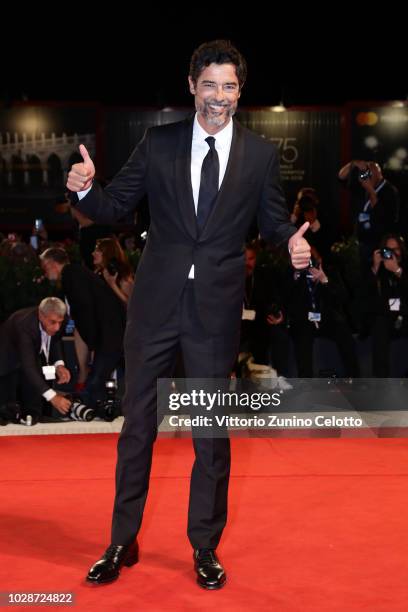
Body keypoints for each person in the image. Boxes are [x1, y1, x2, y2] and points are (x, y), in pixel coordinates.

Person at [67, 39, 311, 589]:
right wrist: (84, 191)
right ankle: (121, 542)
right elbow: (114, 205)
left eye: (229, 86)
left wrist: (292, 247)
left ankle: (204, 546)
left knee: (209, 435)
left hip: (214, 313)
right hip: (154, 307)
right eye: (210, 84)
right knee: (137, 430)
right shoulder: (159, 144)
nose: (219, 96)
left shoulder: (259, 154)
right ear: (192, 86)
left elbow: (274, 223)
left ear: (239, 92)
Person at [0, 297, 72, 424]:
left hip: (30, 354)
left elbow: (54, 339)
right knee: (6, 411)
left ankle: (33, 417)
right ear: (41, 315)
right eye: (53, 322)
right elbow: (28, 367)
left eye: (60, 322)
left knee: (33, 405)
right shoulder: (24, 325)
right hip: (6, 359)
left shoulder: (60, 317)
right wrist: (54, 397)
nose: (57, 327)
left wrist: (59, 364)